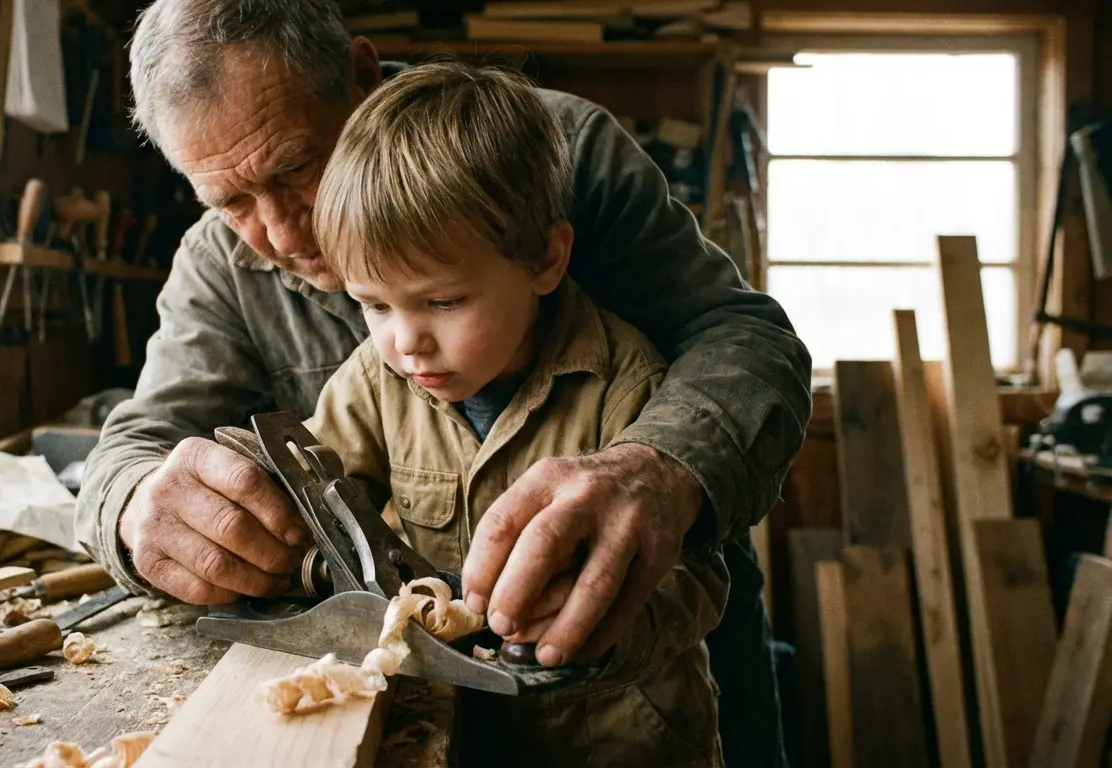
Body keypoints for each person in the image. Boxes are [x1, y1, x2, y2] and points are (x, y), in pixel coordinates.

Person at [76, 2, 812, 765]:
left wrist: (662, 470)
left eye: (296, 167)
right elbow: (136, 443)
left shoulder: (554, 156)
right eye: (231, 201)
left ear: (359, 76)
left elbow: (748, 339)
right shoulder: (218, 264)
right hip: (438, 683)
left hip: (646, 639)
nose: (288, 234)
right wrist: (137, 506)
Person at [298, 60, 729, 766]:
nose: (406, 343)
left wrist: (599, 626)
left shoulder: (631, 384)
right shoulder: (375, 379)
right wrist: (298, 555)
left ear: (545, 260)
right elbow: (318, 503)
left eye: (442, 302)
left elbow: (699, 584)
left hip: (621, 743)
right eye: (374, 305)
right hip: (461, 734)